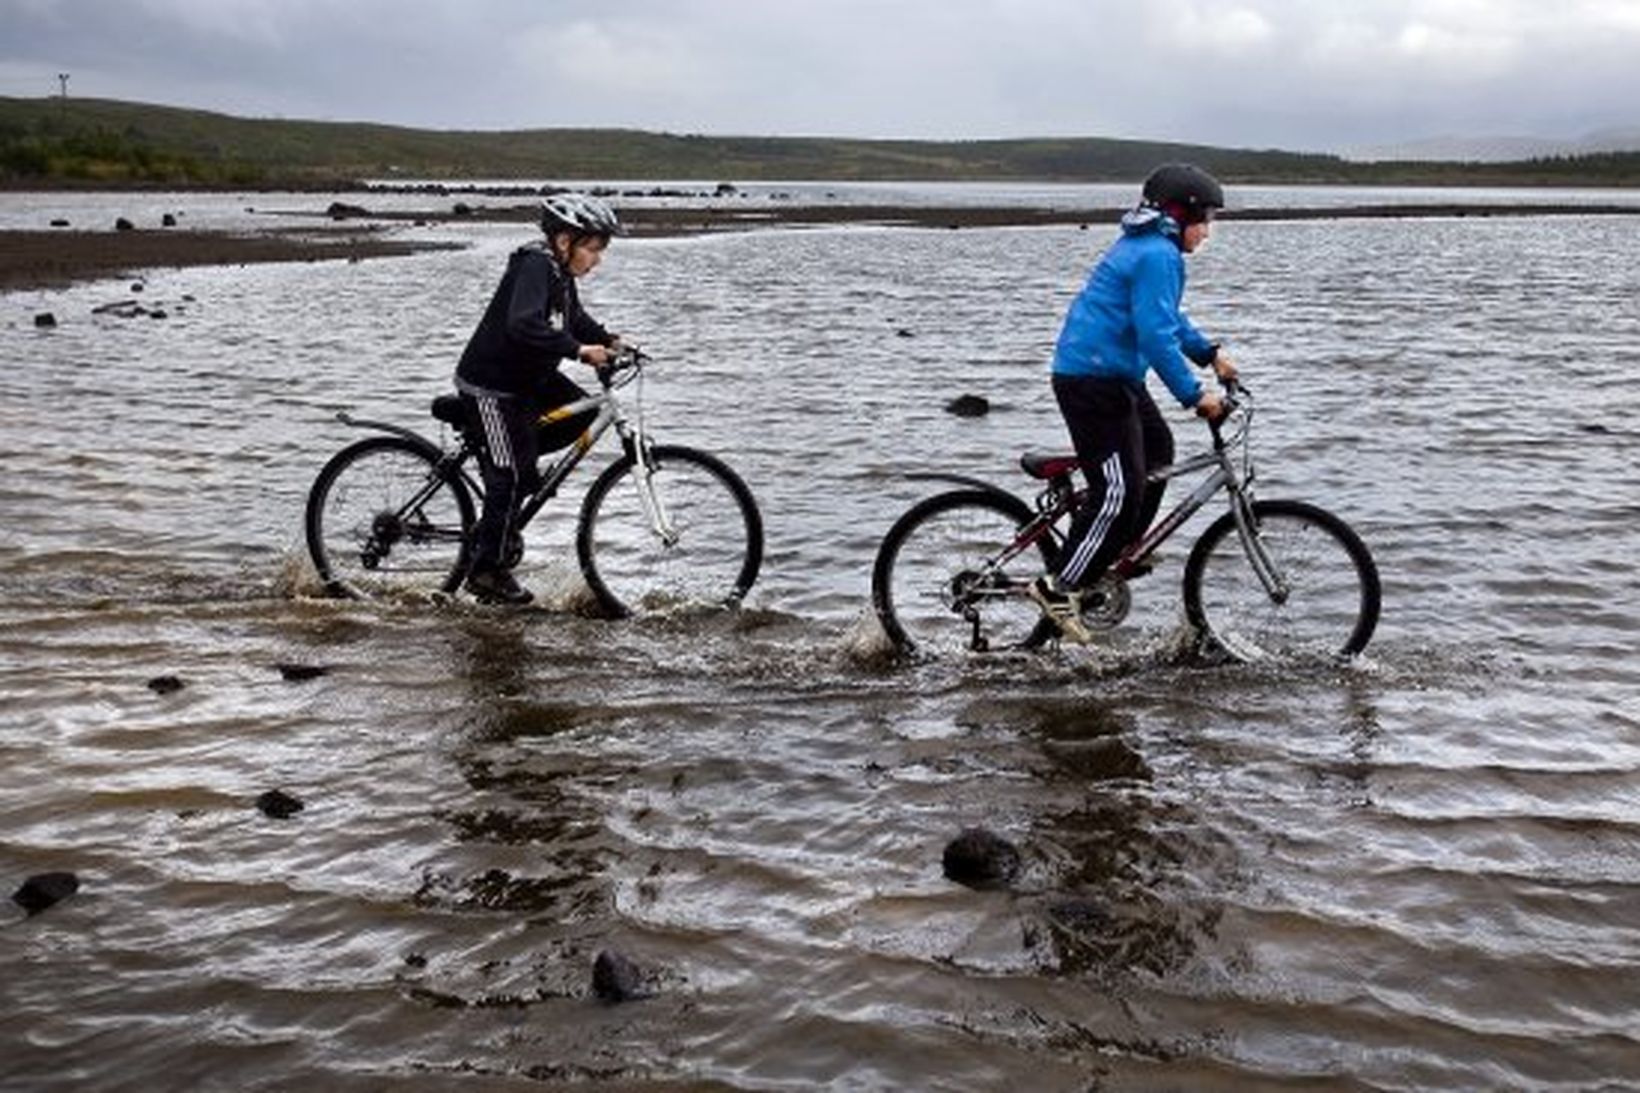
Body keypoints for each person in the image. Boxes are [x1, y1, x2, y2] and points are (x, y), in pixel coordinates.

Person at [1031, 162, 1239, 643]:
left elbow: (1166, 318)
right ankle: (1058, 586)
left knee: (1159, 451)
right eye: (1205, 219)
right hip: (1092, 379)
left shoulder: (1153, 250)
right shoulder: (1156, 256)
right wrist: (1195, 396)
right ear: (1179, 214)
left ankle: (1116, 548)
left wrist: (1210, 354)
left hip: (1112, 375)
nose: (1208, 232)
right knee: (1119, 489)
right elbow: (1155, 336)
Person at [454, 192, 626, 605]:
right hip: (493, 386)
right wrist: (580, 351)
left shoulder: (560, 273)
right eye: (592, 248)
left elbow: (575, 320)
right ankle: (485, 570)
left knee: (578, 416)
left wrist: (609, 340)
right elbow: (523, 324)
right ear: (564, 241)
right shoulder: (535, 264)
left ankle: (511, 474)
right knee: (509, 474)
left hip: (529, 381)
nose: (597, 259)